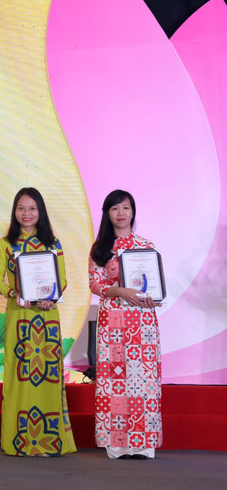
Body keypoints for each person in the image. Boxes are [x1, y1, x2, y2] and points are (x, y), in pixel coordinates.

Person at [0, 187, 76, 456]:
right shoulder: (5, 244)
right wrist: (13, 292)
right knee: (19, 376)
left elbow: (61, 281)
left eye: (32, 208)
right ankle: (19, 441)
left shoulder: (54, 244)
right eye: (21, 208)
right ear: (14, 212)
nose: (26, 214)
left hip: (47, 317)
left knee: (48, 376)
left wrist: (53, 296)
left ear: (41, 211)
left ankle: (48, 440)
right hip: (19, 316)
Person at [88, 189, 162, 459]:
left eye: (126, 208)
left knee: (143, 379)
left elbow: (153, 285)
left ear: (133, 212)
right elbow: (94, 285)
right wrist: (121, 292)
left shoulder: (145, 245)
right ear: (107, 213)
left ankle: (143, 443)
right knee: (115, 379)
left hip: (142, 321)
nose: (121, 213)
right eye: (115, 208)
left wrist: (154, 298)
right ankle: (117, 443)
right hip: (114, 321)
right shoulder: (100, 249)